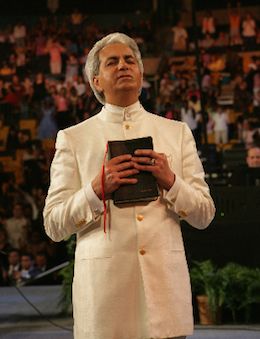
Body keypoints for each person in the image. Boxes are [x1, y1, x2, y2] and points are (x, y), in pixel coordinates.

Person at [43, 32, 215, 339]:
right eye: (112, 62)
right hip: (105, 304)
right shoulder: (74, 139)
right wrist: (95, 190)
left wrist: (171, 181)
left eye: (129, 60)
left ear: (141, 72)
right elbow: (53, 224)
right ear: (96, 81)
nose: (123, 65)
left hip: (165, 301)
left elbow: (205, 215)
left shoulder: (176, 132)